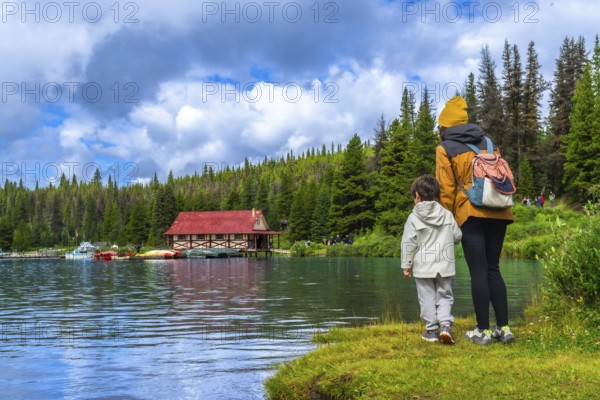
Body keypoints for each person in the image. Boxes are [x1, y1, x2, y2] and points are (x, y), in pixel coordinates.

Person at [435, 96, 515, 345]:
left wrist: (444, 223)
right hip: (500, 211)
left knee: (478, 271)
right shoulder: (489, 143)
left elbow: (446, 191)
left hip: (470, 214)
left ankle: (482, 330)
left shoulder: (445, 149)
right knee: (493, 268)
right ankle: (504, 328)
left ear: (444, 126)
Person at [401, 175, 462, 344]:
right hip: (445, 263)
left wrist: (406, 265)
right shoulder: (446, 214)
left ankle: (431, 331)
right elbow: (457, 236)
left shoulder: (413, 217)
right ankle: (445, 326)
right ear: (436, 194)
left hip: (423, 266)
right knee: (445, 295)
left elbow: (408, 243)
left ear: (417, 196)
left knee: (426, 297)